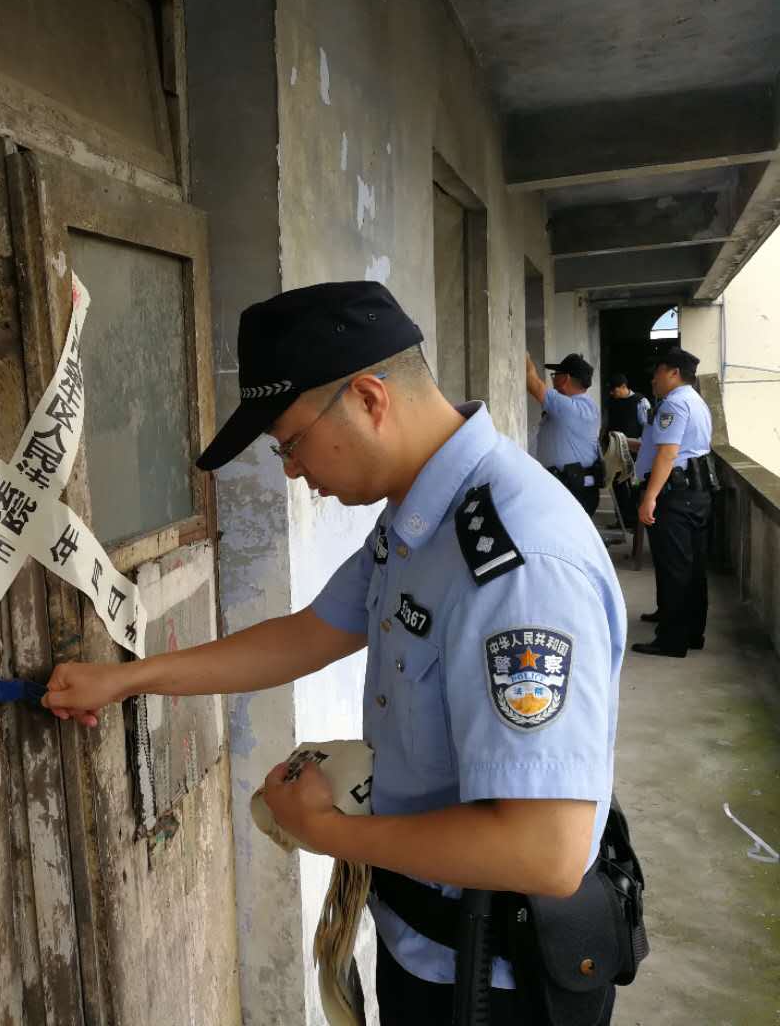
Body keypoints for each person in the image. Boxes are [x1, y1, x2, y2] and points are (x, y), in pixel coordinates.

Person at [42, 282, 625, 1024]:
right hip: (430, 949)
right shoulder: (418, 520)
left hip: (498, 987)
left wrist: (326, 834)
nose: (290, 469)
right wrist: (129, 678)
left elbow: (546, 851)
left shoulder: (518, 560)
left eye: (290, 442)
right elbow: (308, 633)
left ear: (369, 399)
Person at [630, 347, 714, 658]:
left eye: (658, 372)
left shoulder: (675, 405)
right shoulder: (696, 401)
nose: (654, 378)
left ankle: (672, 639)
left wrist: (649, 497)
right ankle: (691, 630)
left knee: (675, 567)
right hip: (697, 493)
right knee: (692, 566)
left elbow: (668, 453)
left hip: (676, 496)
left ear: (673, 373)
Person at [525, 352, 603, 515]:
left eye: (555, 375)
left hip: (573, 491)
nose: (552, 380)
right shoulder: (584, 406)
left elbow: (532, 383)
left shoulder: (570, 407)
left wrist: (525, 357)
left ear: (565, 378)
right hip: (573, 488)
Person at [603, 375, 649, 530]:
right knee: (617, 484)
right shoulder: (612, 402)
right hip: (616, 451)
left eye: (614, 390)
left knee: (635, 485)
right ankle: (622, 519)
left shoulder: (640, 402)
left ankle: (636, 521)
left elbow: (647, 427)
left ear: (623, 386)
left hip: (635, 451)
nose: (612, 393)